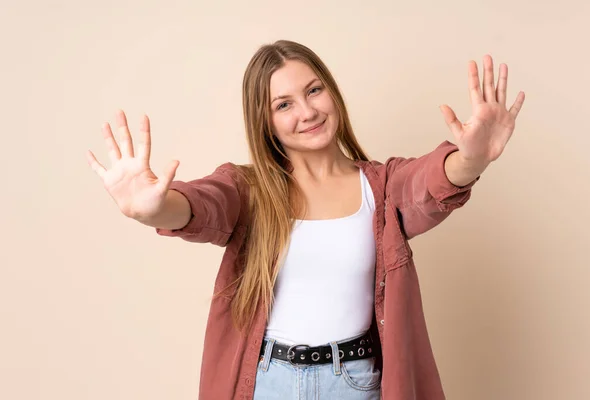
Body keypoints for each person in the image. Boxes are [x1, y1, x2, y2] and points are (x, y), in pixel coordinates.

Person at [86, 40, 525, 400]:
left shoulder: (381, 185)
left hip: (356, 382)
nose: (307, 112)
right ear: (266, 121)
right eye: (284, 104)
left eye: (314, 91)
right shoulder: (248, 189)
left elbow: (429, 184)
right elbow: (202, 205)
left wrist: (471, 158)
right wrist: (154, 210)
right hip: (267, 382)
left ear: (332, 91)